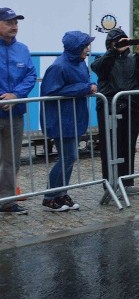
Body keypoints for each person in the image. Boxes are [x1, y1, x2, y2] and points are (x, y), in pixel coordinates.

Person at [91, 28, 139, 200]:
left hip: (131, 108)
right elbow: (98, 68)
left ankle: (126, 182)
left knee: (128, 146)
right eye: (118, 42)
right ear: (110, 44)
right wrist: (113, 51)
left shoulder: (133, 59)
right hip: (109, 109)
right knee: (110, 148)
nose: (122, 45)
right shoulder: (103, 60)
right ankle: (110, 184)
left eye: (124, 41)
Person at [40, 31, 97, 211]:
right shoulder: (59, 66)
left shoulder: (79, 63)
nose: (88, 49)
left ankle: (60, 194)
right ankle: (50, 197)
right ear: (76, 48)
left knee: (70, 158)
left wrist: (86, 88)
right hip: (61, 119)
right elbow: (50, 92)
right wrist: (85, 88)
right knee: (68, 157)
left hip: (73, 117)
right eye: (85, 45)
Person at [0, 8, 36, 215]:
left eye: (16, 22)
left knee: (11, 160)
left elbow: (30, 75)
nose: (14, 26)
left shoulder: (22, 49)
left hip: (15, 114)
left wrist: (15, 96)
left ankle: (7, 202)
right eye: (8, 22)